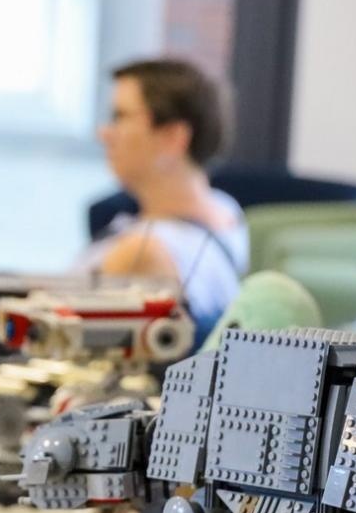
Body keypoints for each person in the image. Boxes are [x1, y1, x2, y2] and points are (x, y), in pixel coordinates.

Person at [83, 58, 248, 343]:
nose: (104, 133)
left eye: (120, 117)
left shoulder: (142, 254)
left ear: (172, 137)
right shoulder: (225, 210)